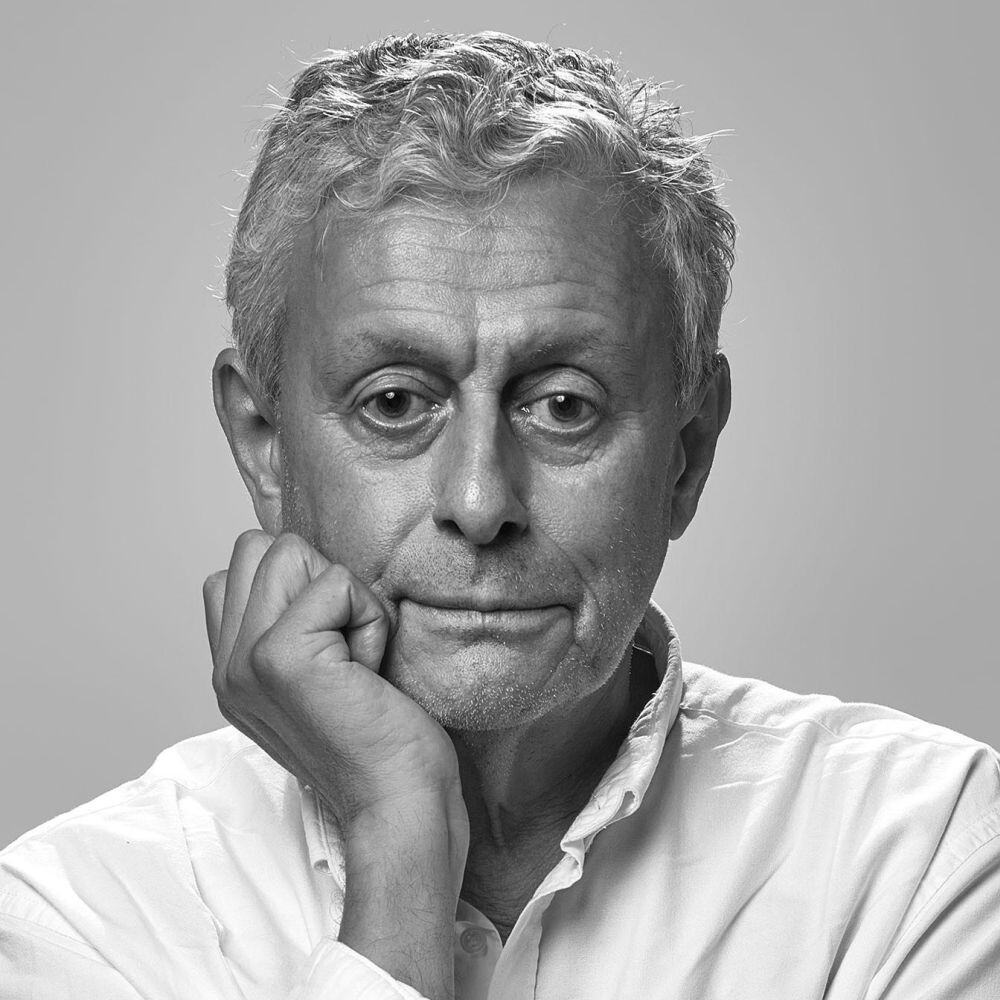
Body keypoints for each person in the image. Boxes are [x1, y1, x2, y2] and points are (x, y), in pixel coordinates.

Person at [1, 30, 998, 1000]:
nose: (480, 503)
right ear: (264, 441)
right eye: (395, 402)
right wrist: (397, 833)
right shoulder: (83, 919)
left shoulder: (921, 855)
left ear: (686, 452)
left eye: (563, 405)